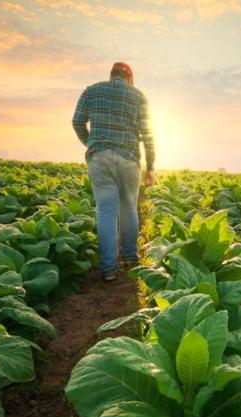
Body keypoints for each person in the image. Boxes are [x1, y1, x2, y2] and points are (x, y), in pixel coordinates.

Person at [72, 62, 155, 282]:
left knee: (106, 211)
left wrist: (91, 143)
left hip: (100, 158)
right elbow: (147, 134)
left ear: (111, 76)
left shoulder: (91, 90)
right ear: (129, 79)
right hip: (128, 159)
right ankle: (129, 258)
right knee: (129, 207)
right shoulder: (138, 95)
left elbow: (77, 121)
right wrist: (151, 167)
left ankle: (109, 269)